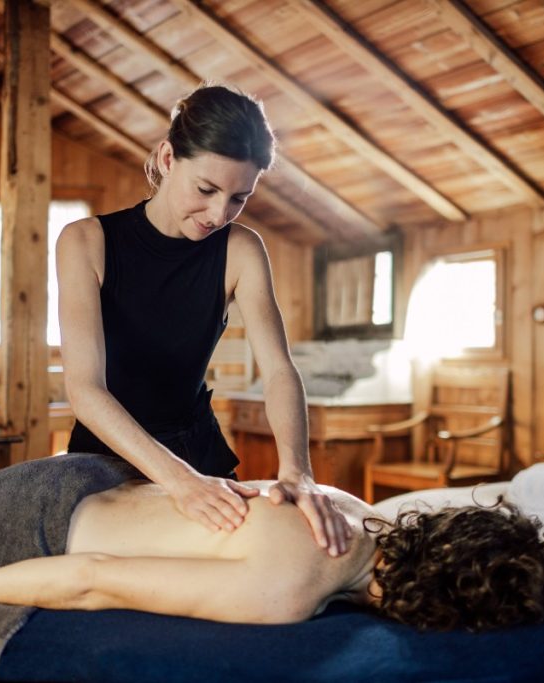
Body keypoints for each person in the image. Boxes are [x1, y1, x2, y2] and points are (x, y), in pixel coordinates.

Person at [56, 83, 350, 555]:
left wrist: (297, 470)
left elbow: (277, 369)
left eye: (239, 197)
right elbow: (85, 389)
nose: (219, 213)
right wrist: (180, 482)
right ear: (169, 159)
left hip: (200, 452)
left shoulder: (241, 249)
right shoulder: (85, 242)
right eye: (207, 189)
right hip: (105, 459)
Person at [0, 479, 544, 630]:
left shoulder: (337, 503)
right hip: (36, 528)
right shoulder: (291, 591)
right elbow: (92, 580)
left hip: (81, 477)